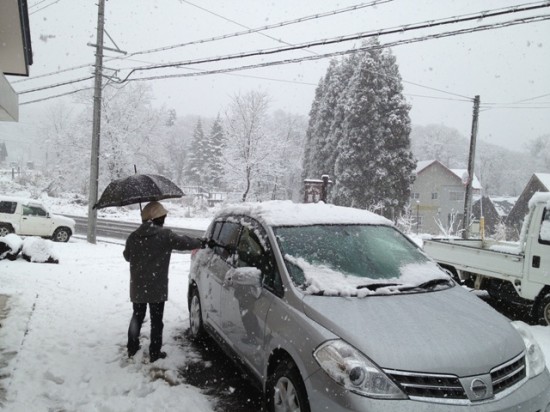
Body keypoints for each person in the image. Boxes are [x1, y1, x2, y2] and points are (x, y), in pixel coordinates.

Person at [123, 201, 203, 362]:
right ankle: (154, 352)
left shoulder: (133, 236)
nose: (164, 219)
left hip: (138, 286)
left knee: (137, 317)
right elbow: (184, 242)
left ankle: (132, 348)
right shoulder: (165, 235)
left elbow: (127, 256)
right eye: (162, 216)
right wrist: (201, 242)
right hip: (156, 286)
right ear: (156, 218)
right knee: (156, 320)